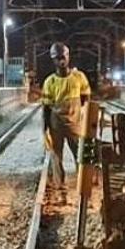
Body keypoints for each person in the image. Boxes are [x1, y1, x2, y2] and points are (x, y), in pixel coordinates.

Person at [41, 42, 91, 187]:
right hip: (56, 126)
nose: (61, 60)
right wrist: (45, 129)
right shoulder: (49, 82)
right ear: (53, 60)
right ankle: (60, 186)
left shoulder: (79, 77)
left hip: (76, 124)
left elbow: (86, 98)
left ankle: (84, 183)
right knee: (56, 157)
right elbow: (46, 107)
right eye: (58, 58)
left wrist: (86, 118)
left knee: (81, 154)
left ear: (68, 57)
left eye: (63, 56)